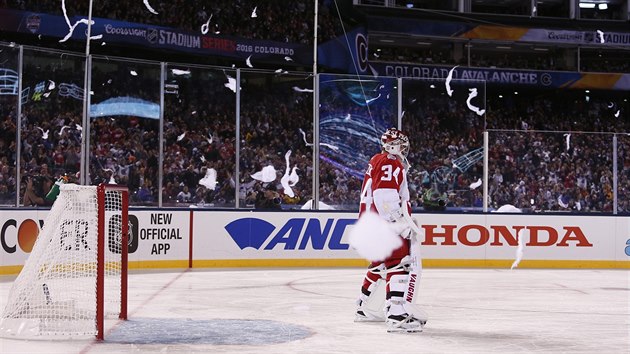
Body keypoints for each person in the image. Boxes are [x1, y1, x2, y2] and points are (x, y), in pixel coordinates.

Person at [355, 127, 425, 333]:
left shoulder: (376, 159)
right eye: (402, 145)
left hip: (370, 223)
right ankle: (396, 315)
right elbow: (385, 196)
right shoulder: (389, 162)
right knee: (399, 263)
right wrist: (400, 224)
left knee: (379, 264)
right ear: (393, 145)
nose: (404, 149)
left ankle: (364, 308)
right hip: (384, 223)